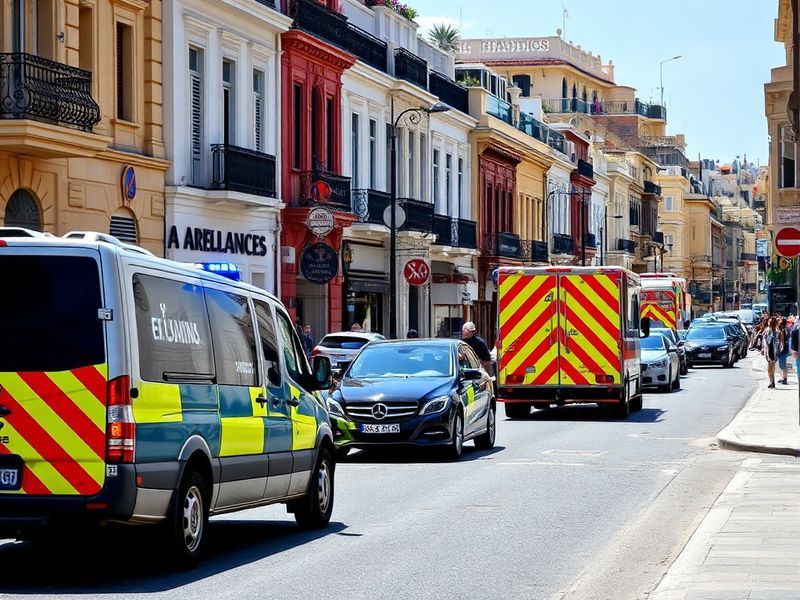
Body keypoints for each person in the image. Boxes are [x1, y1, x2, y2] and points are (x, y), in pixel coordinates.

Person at [762, 317, 779, 388]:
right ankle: (772, 381)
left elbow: (764, 342)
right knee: (772, 367)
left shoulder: (768, 331)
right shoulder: (776, 331)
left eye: (770, 322)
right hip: (772, 351)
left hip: (771, 351)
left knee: (770, 367)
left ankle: (771, 381)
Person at [777, 317, 791, 384]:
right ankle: (783, 377)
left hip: (783, 349)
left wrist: (781, 348)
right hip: (785, 348)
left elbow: (782, 340)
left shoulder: (782, 330)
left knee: (782, 365)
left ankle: (784, 379)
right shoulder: (786, 329)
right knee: (781, 364)